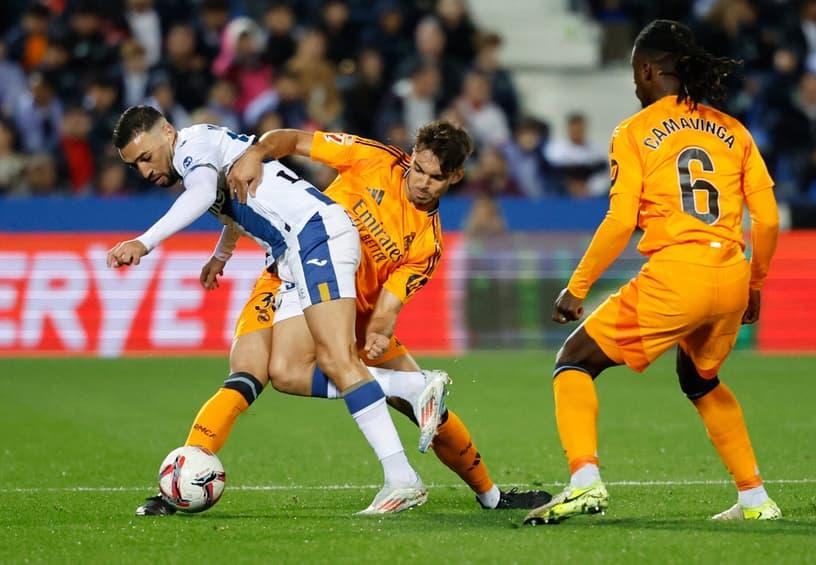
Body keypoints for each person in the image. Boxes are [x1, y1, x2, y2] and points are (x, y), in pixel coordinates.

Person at [107, 105, 429, 515]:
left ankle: (402, 475)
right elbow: (234, 204)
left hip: (315, 236)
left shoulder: (191, 147)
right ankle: (408, 389)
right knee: (286, 371)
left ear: (167, 132)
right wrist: (221, 255)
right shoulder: (204, 149)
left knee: (335, 358)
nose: (145, 171)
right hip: (292, 252)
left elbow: (205, 193)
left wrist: (144, 242)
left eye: (146, 157)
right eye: (134, 165)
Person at [524, 20, 781, 525]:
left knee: (573, 361)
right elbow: (768, 219)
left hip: (678, 274)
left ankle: (584, 481)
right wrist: (755, 284)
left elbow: (620, 219)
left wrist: (576, 288)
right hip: (730, 271)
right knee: (700, 378)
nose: (634, 86)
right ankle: (755, 498)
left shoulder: (634, 131)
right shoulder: (734, 130)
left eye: (634, 75)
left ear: (648, 70)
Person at [221, 121, 551, 512]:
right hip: (318, 295)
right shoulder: (372, 157)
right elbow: (292, 140)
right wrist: (257, 153)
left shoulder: (427, 244)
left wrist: (378, 333)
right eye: (419, 170)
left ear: (455, 177)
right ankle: (409, 391)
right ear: (411, 156)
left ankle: (490, 496)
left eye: (436, 178)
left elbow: (388, 308)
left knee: (428, 411)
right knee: (288, 372)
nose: (423, 183)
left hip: (357, 319)